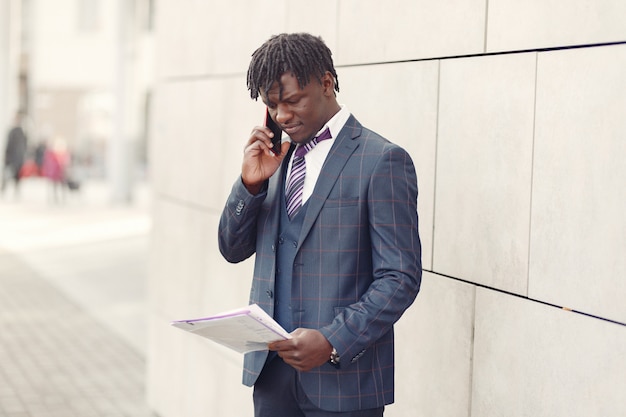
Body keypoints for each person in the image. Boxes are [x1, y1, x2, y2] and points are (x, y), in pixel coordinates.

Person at [218, 33, 422, 417]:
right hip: (272, 377)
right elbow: (231, 249)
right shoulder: (273, 161)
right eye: (272, 106)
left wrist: (332, 340)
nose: (281, 116)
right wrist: (250, 184)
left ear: (326, 83)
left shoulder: (381, 160)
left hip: (344, 383)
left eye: (292, 101)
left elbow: (400, 276)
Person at [1, 111, 28, 197]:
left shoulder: (20, 132)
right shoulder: (17, 132)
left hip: (16, 158)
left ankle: (12, 191)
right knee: (10, 175)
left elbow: (22, 146)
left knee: (14, 176)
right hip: (14, 158)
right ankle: (5, 190)